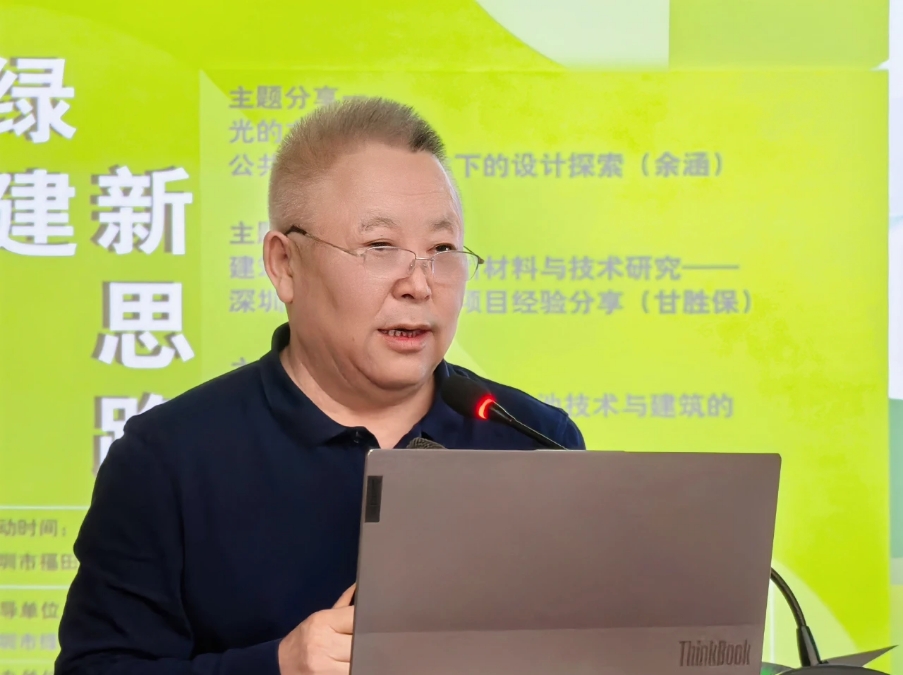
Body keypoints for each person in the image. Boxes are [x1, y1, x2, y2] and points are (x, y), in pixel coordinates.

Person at [55, 97, 585, 675]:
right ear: (285, 265)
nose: (418, 284)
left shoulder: (535, 441)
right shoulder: (167, 459)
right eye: (379, 248)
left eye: (442, 250)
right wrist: (278, 666)